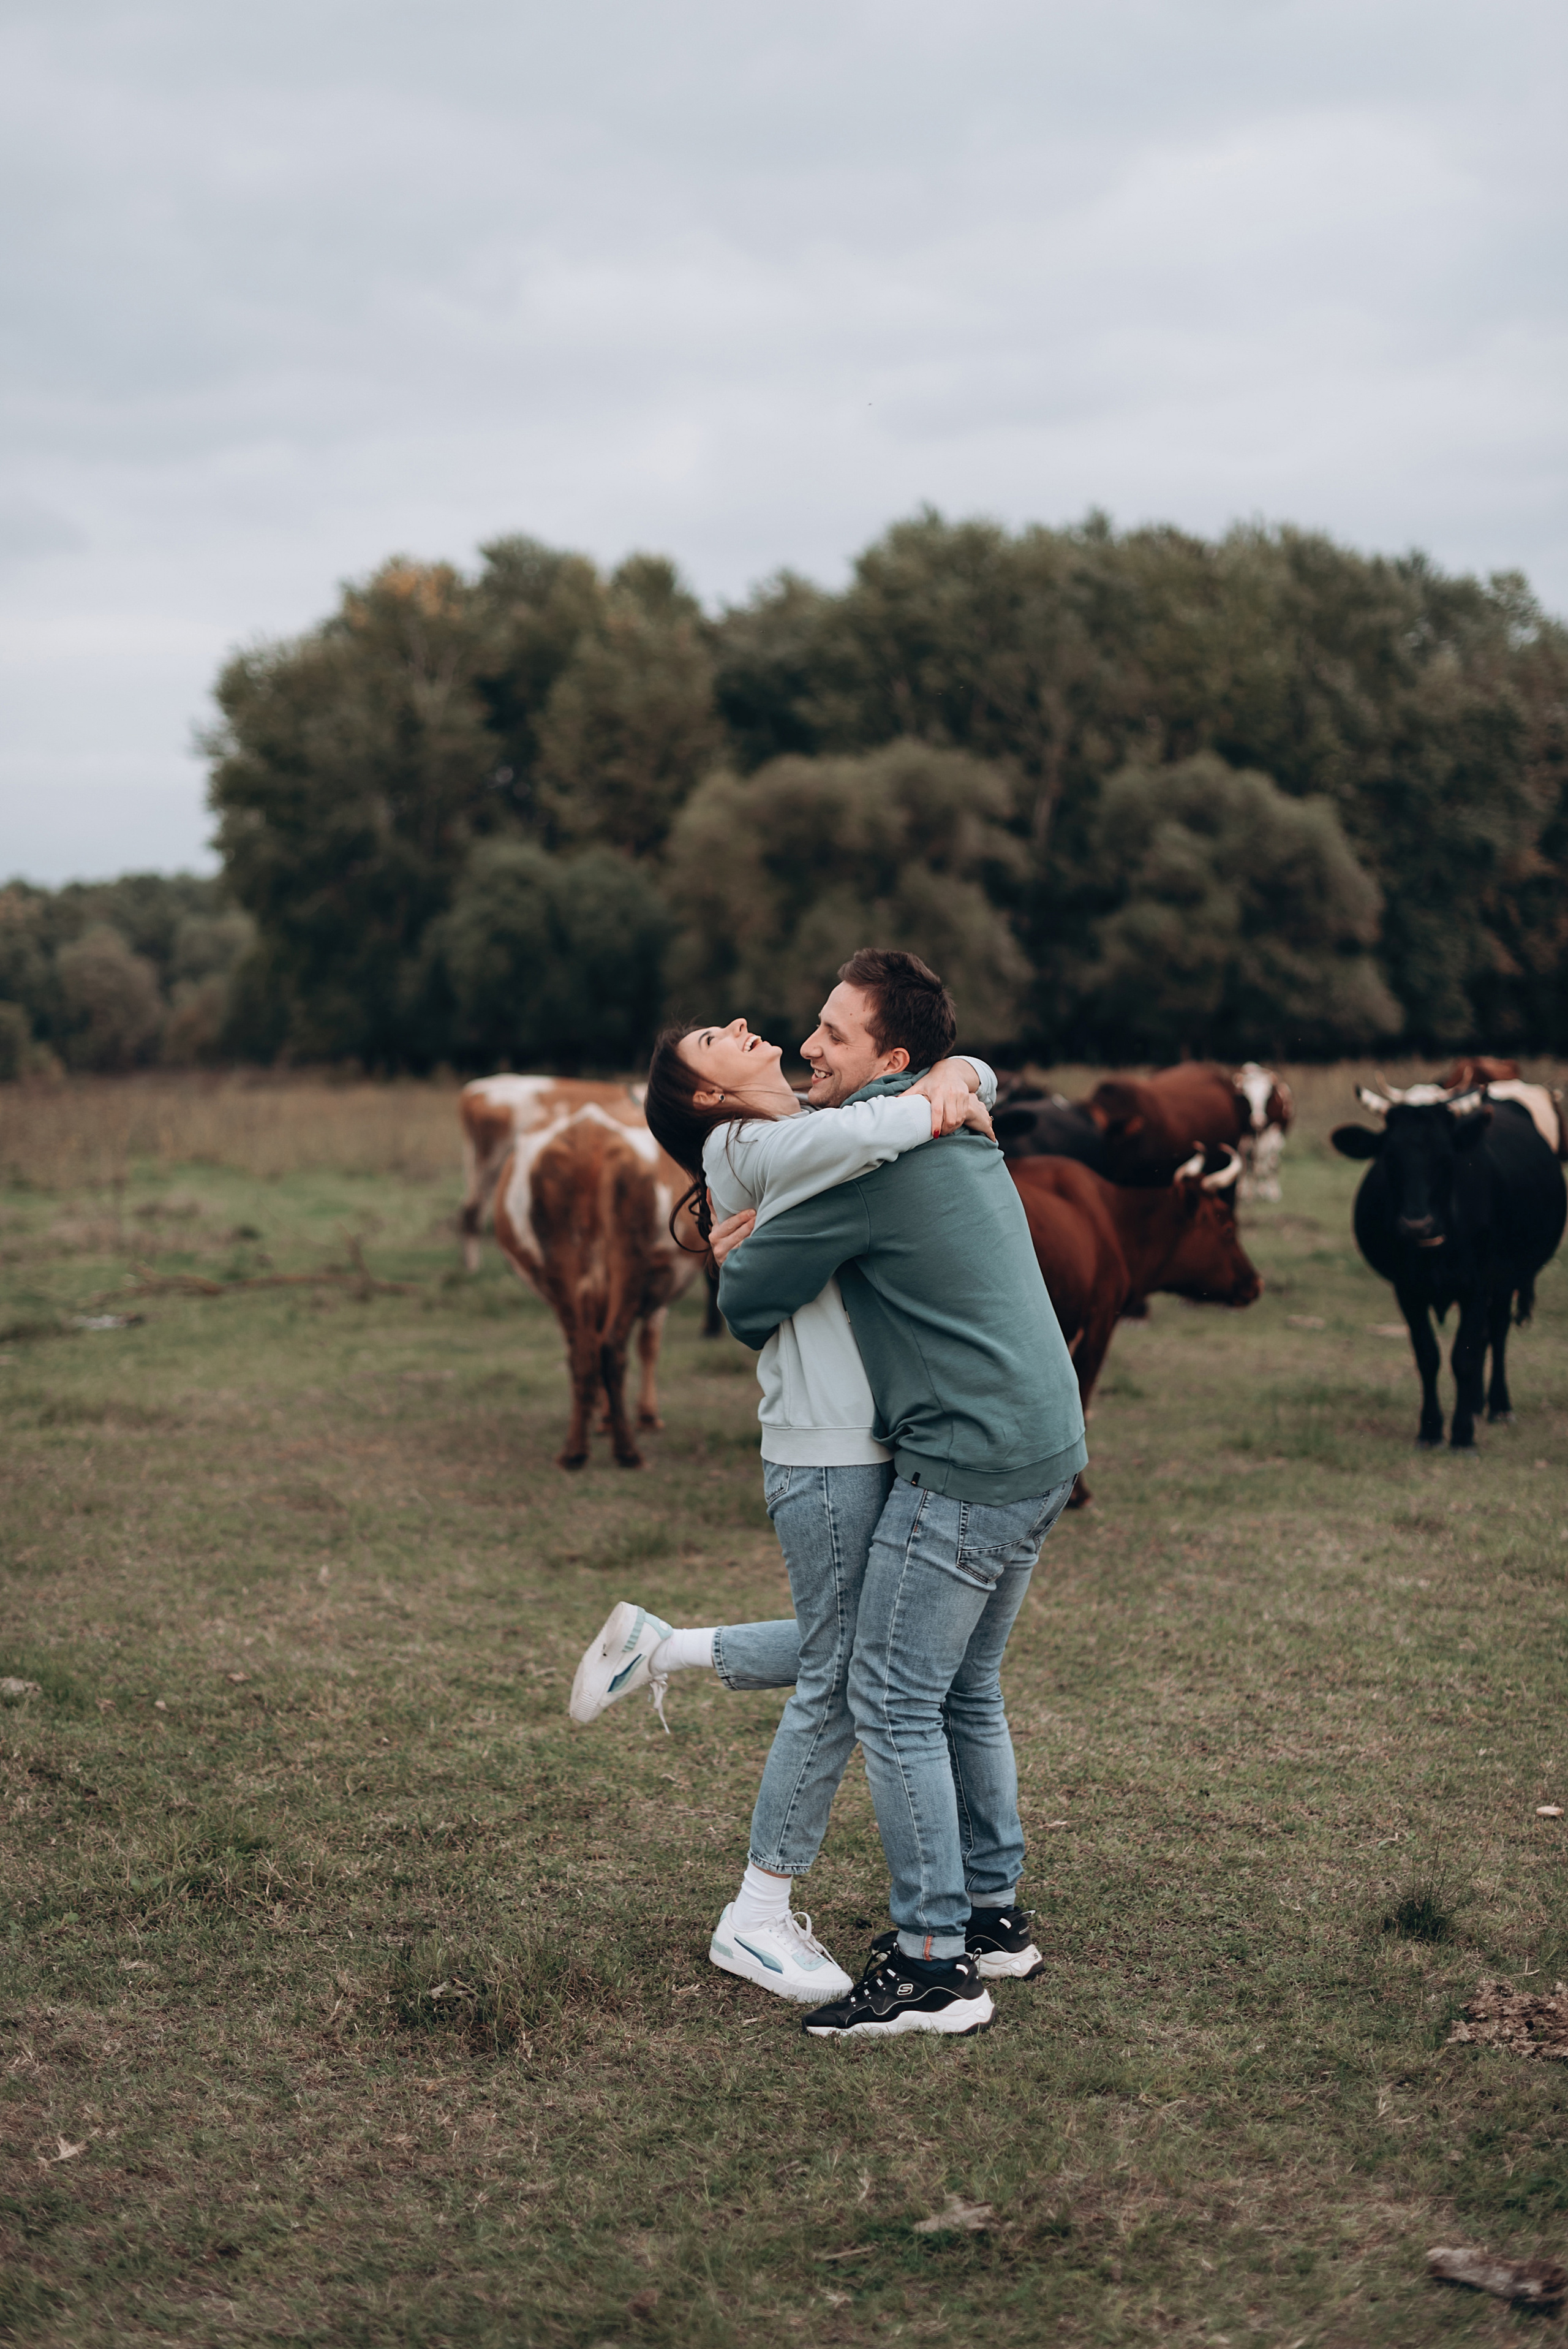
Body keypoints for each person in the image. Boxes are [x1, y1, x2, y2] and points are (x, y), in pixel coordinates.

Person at [570, 951, 998, 2009]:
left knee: (849, 1651)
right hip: (823, 1454)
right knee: (843, 1680)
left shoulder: (791, 1133)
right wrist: (951, 1088)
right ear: (708, 1097)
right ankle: (756, 1915)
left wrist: (965, 1072)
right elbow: (871, 1131)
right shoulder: (750, 1146)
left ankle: (665, 1648)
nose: (741, 1025)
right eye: (713, 1041)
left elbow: (889, 1109)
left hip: (866, 1440)